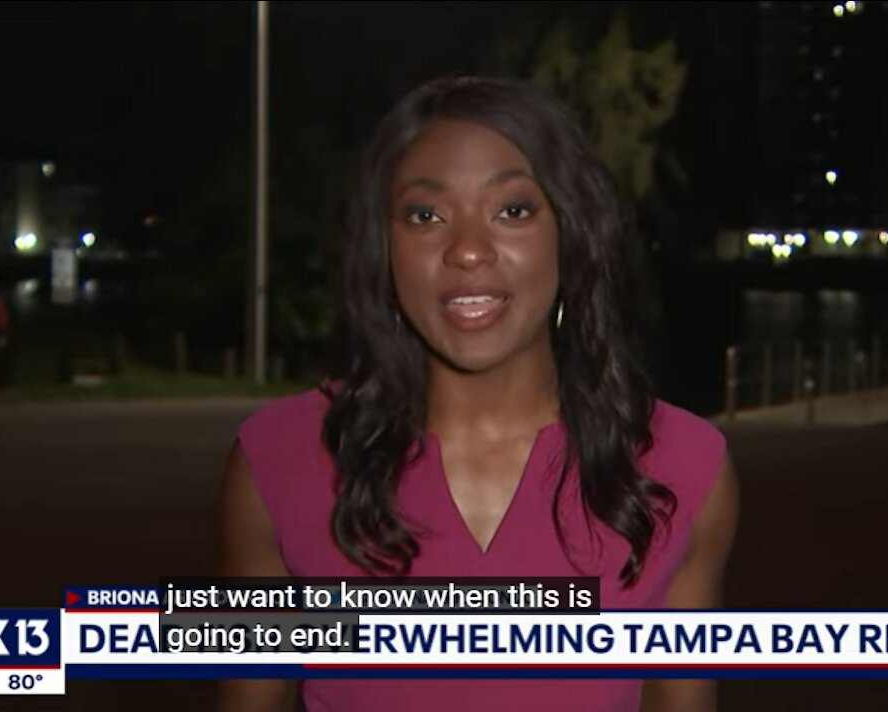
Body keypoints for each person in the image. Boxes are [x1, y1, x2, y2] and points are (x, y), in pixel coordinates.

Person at [219, 75, 739, 712]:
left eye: (513, 210)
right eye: (425, 215)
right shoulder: (276, 463)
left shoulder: (683, 469)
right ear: (384, 250)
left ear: (570, 235)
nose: (467, 250)